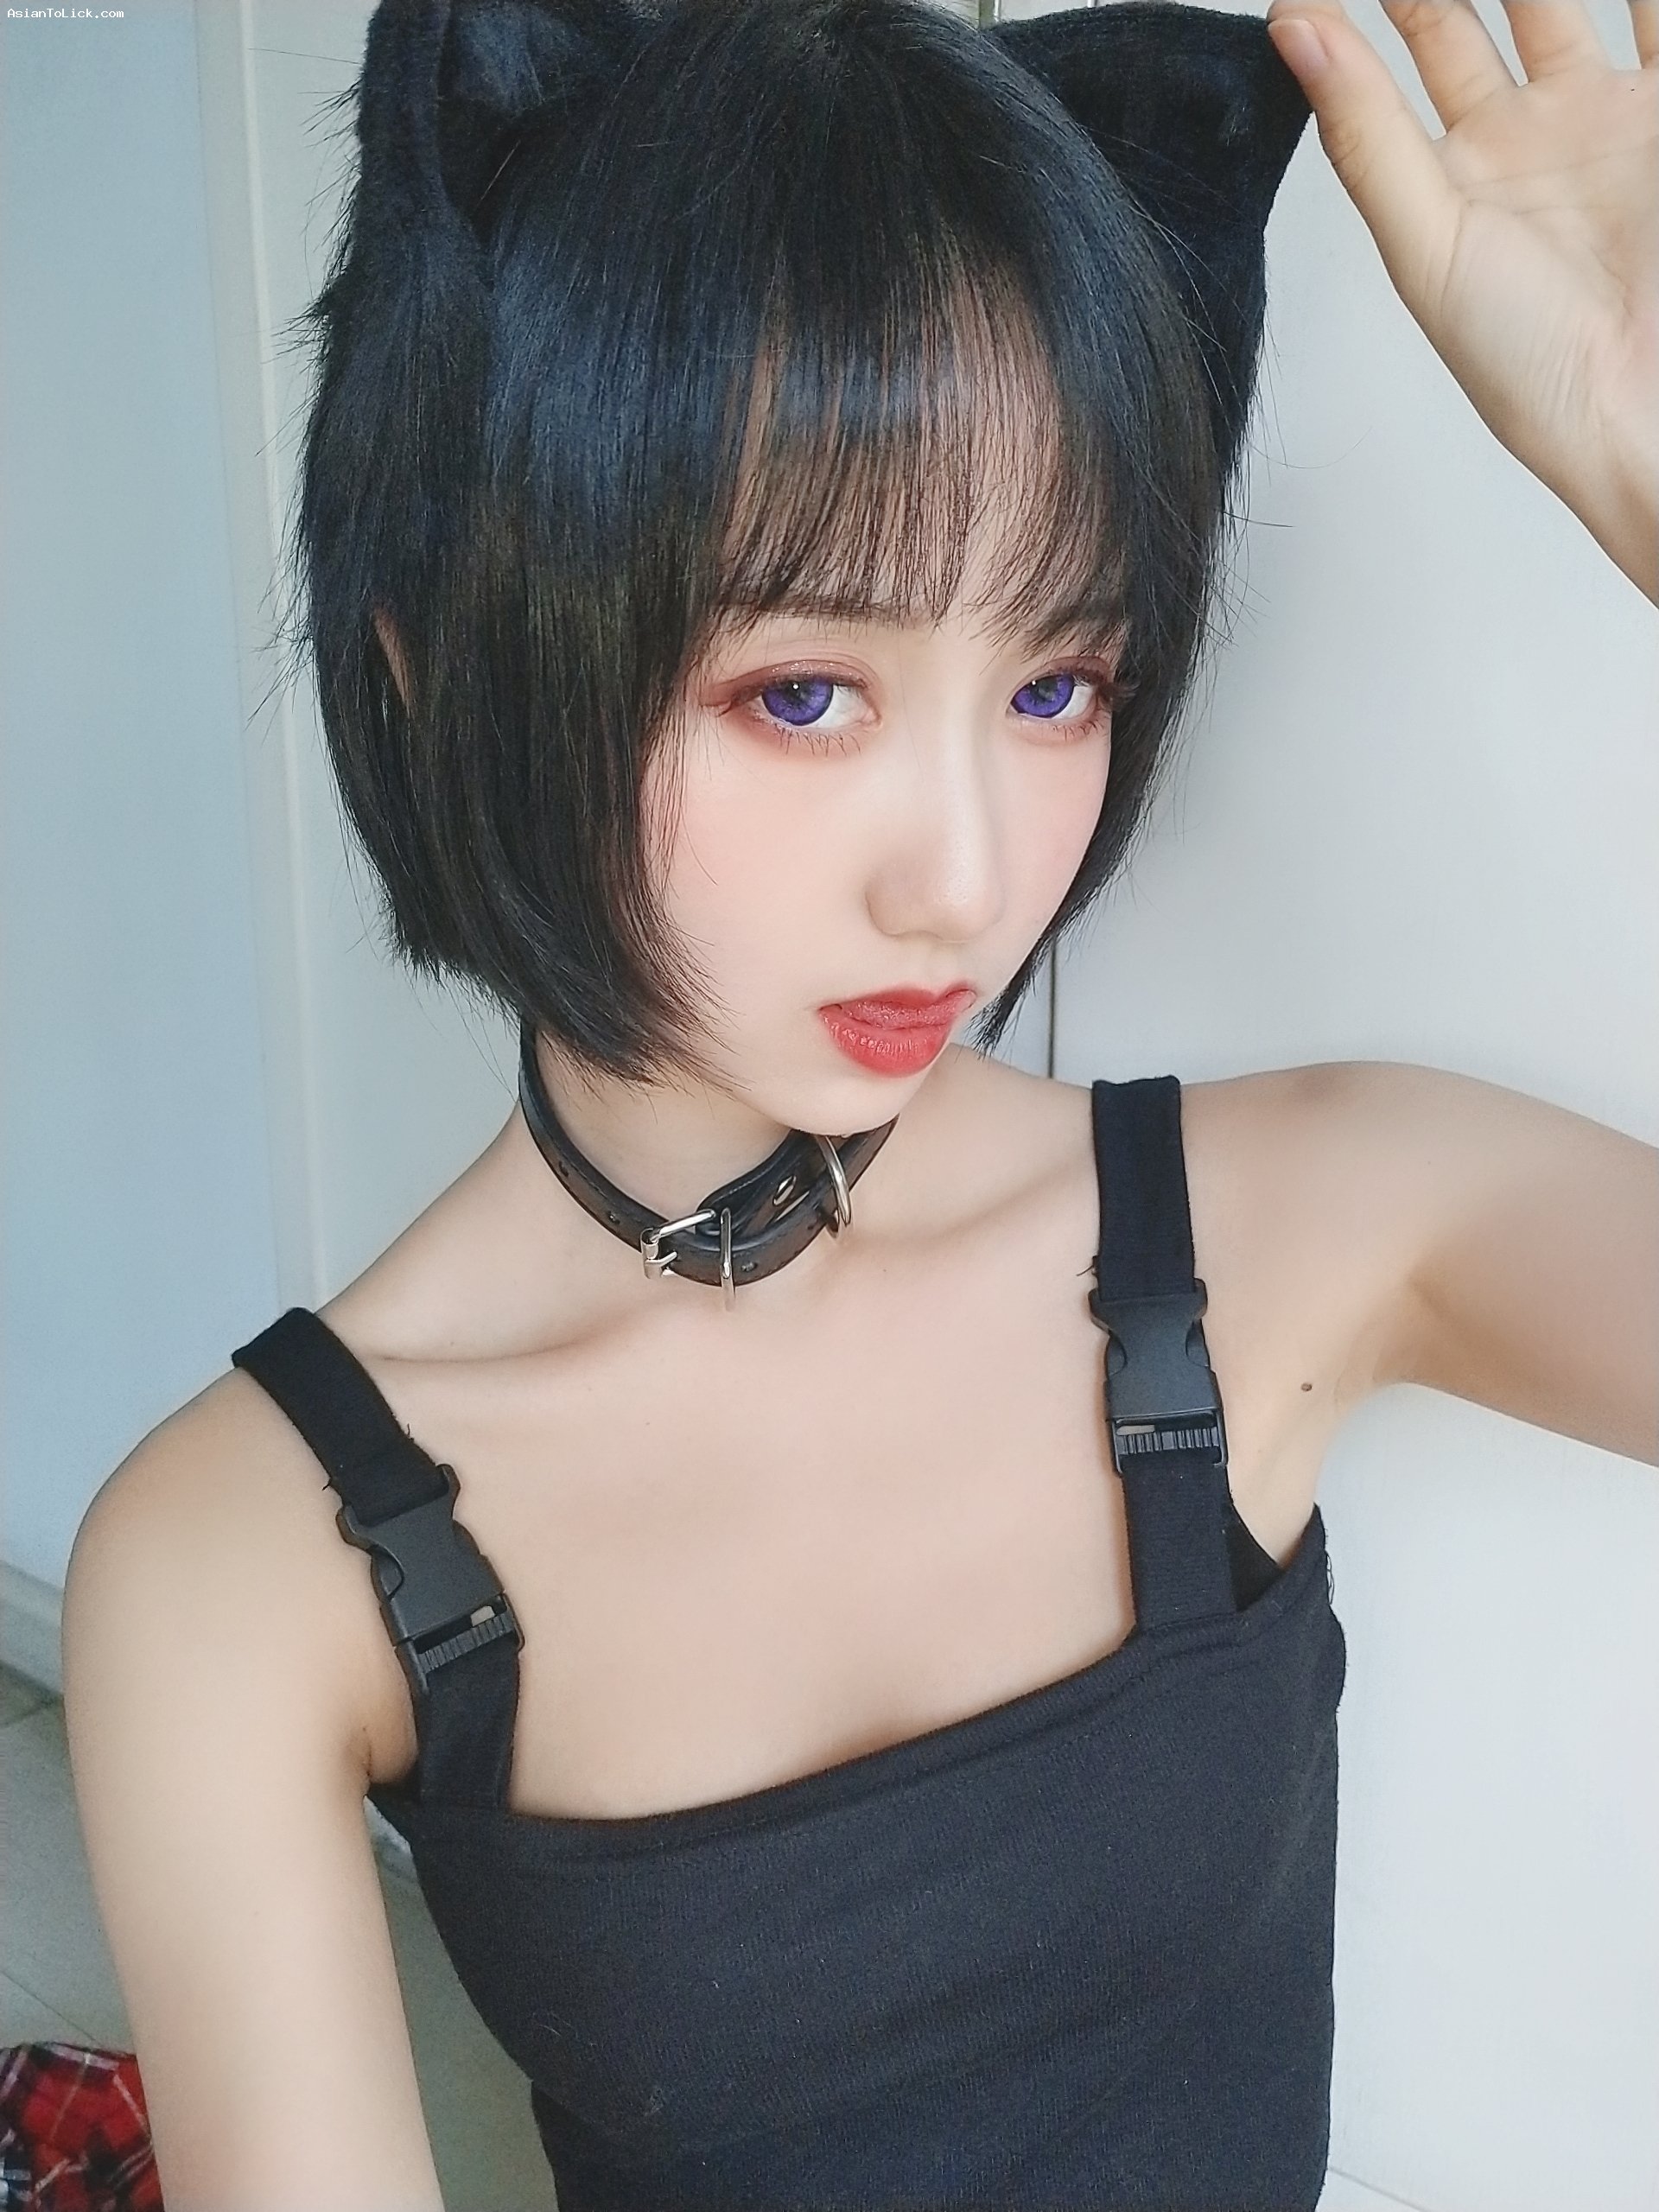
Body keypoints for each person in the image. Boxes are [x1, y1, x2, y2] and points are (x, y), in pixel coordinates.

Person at [59, 0, 1656, 2207]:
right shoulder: (246, 1556)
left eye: (1056, 681)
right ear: (435, 663)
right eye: (803, 692)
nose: (967, 874)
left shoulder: (1325, 1214)